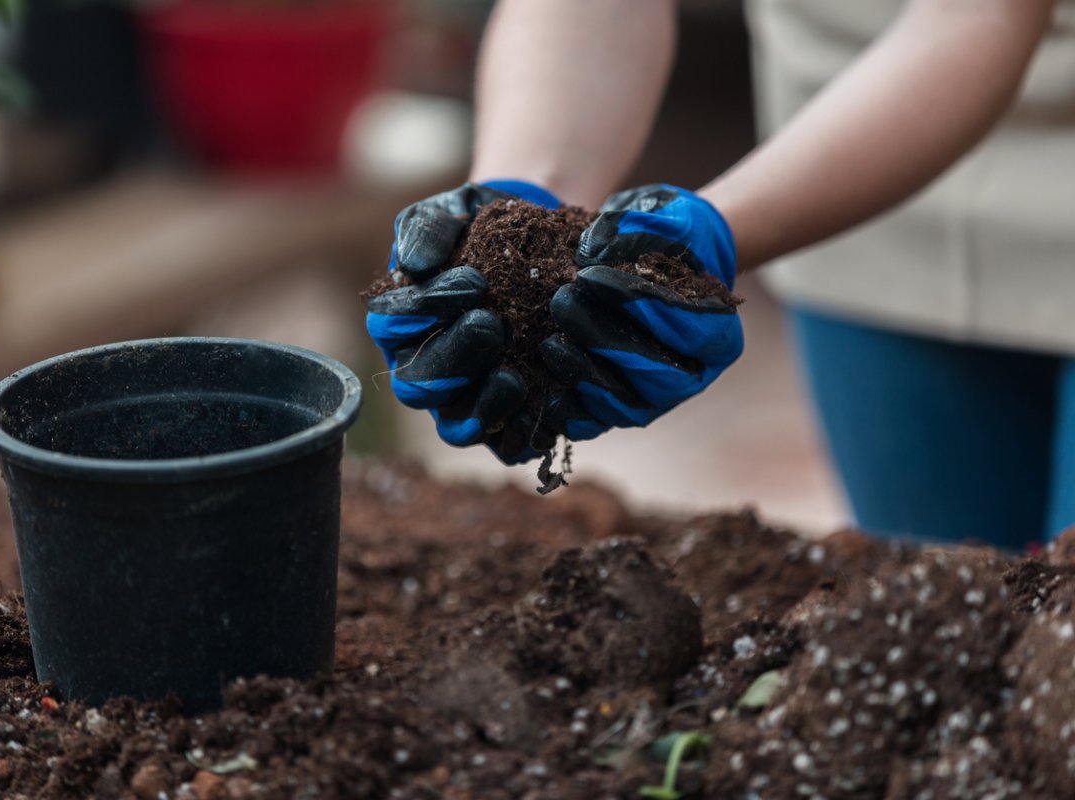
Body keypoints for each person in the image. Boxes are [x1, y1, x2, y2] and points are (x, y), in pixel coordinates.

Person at [366, 0, 1068, 549]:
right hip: (849, 165)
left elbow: (978, 15)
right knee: (942, 621)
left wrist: (699, 247)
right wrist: (513, 206)